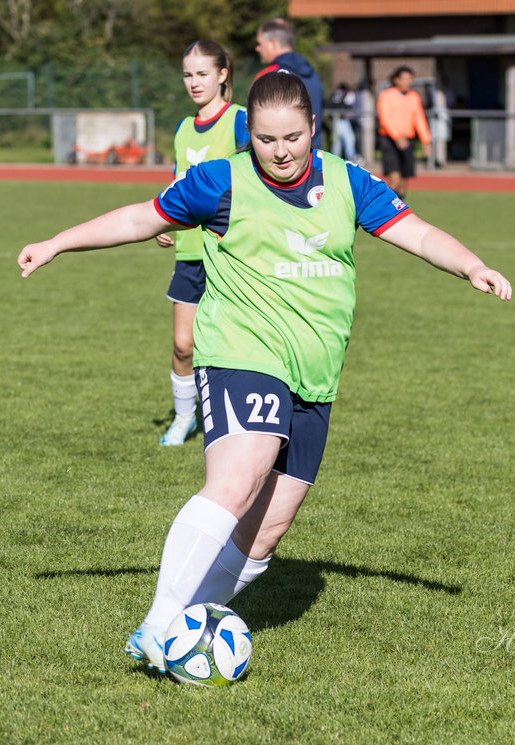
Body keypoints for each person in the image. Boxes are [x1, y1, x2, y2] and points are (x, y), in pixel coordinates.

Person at [17, 73, 512, 675]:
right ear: (249, 132)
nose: (280, 151)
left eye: (293, 138)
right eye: (266, 138)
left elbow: (418, 232)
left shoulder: (349, 183)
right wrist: (57, 243)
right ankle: (159, 626)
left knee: (266, 531)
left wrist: (471, 265)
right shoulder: (221, 180)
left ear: (314, 130)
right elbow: (137, 221)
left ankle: (181, 633)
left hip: (315, 371)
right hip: (240, 350)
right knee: (238, 475)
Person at [155, 40, 249, 447]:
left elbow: (258, 175)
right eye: (188, 75)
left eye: (202, 74)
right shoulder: (181, 128)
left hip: (232, 254)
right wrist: (164, 218)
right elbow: (179, 180)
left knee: (236, 347)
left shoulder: (241, 121)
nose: (194, 82)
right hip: (191, 253)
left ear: (223, 75)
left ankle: (243, 422)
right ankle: (183, 418)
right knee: (182, 345)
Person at [254, 17, 324, 151]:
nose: (257, 48)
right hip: (314, 157)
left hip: (281, 159)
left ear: (273, 43)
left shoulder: (268, 76)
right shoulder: (312, 72)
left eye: (260, 43)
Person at [376, 66, 432, 199]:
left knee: (405, 177)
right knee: (394, 176)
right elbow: (385, 118)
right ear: (396, 80)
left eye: (410, 79)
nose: (407, 82)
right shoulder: (387, 95)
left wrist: (426, 141)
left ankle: (400, 204)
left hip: (408, 140)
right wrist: (397, 137)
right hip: (389, 140)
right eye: (404, 79)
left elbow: (419, 119)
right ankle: (390, 206)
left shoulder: (414, 97)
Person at [328, 82, 358, 163]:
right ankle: (351, 160)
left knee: (337, 143)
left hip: (336, 120)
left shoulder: (335, 93)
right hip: (342, 120)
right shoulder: (344, 94)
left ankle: (333, 162)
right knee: (349, 139)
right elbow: (347, 105)